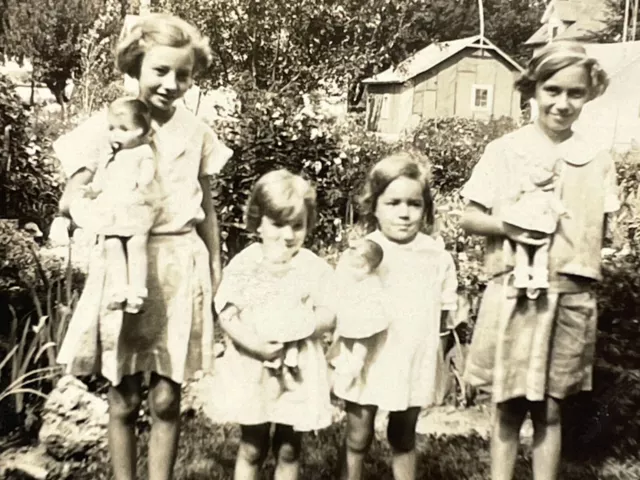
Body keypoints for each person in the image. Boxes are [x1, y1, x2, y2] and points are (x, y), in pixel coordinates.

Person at [54, 13, 233, 480]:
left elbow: (207, 208)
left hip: (180, 265)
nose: (171, 83)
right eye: (160, 70)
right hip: (124, 267)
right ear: (135, 65)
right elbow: (73, 196)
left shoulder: (197, 132)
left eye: (183, 75)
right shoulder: (110, 123)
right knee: (124, 393)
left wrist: (215, 265)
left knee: (167, 396)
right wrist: (98, 217)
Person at [460, 42, 616, 480]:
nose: (562, 103)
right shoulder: (505, 151)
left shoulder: (596, 160)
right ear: (532, 90)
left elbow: (598, 232)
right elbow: (470, 216)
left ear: (589, 95)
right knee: (508, 405)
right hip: (514, 295)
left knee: (550, 408)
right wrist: (511, 226)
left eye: (575, 93)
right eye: (552, 90)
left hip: (566, 298)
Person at [334, 152, 458, 480]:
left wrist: (441, 353)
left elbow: (446, 311)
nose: (404, 213)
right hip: (371, 355)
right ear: (374, 206)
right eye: (393, 203)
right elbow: (342, 301)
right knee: (358, 435)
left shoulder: (435, 255)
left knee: (404, 435)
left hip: (412, 357)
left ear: (426, 208)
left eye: (414, 204)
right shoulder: (364, 251)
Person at [215, 169, 335, 480]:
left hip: (297, 370)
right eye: (278, 224)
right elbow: (227, 313)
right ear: (258, 222)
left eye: (297, 226)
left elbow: (329, 313)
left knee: (289, 447)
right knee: (253, 444)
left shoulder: (311, 267)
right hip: (253, 366)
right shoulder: (246, 264)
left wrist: (303, 325)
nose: (288, 235)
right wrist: (256, 344)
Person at [71, 97, 159, 313]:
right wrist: (93, 190)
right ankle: (119, 288)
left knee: (136, 244)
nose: (114, 134)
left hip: (135, 205)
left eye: (122, 129)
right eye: (111, 128)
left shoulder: (142, 152)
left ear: (139, 131)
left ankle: (137, 291)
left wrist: (143, 181)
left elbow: (148, 172)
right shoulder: (110, 155)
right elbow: (102, 179)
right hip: (113, 209)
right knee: (111, 244)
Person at [330, 237, 387, 391]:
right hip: (353, 311)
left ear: (366, 260)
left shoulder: (365, 271)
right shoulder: (357, 267)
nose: (352, 255)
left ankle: (356, 364)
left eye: (357, 254)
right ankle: (343, 363)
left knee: (362, 340)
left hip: (364, 313)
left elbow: (353, 276)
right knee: (346, 338)